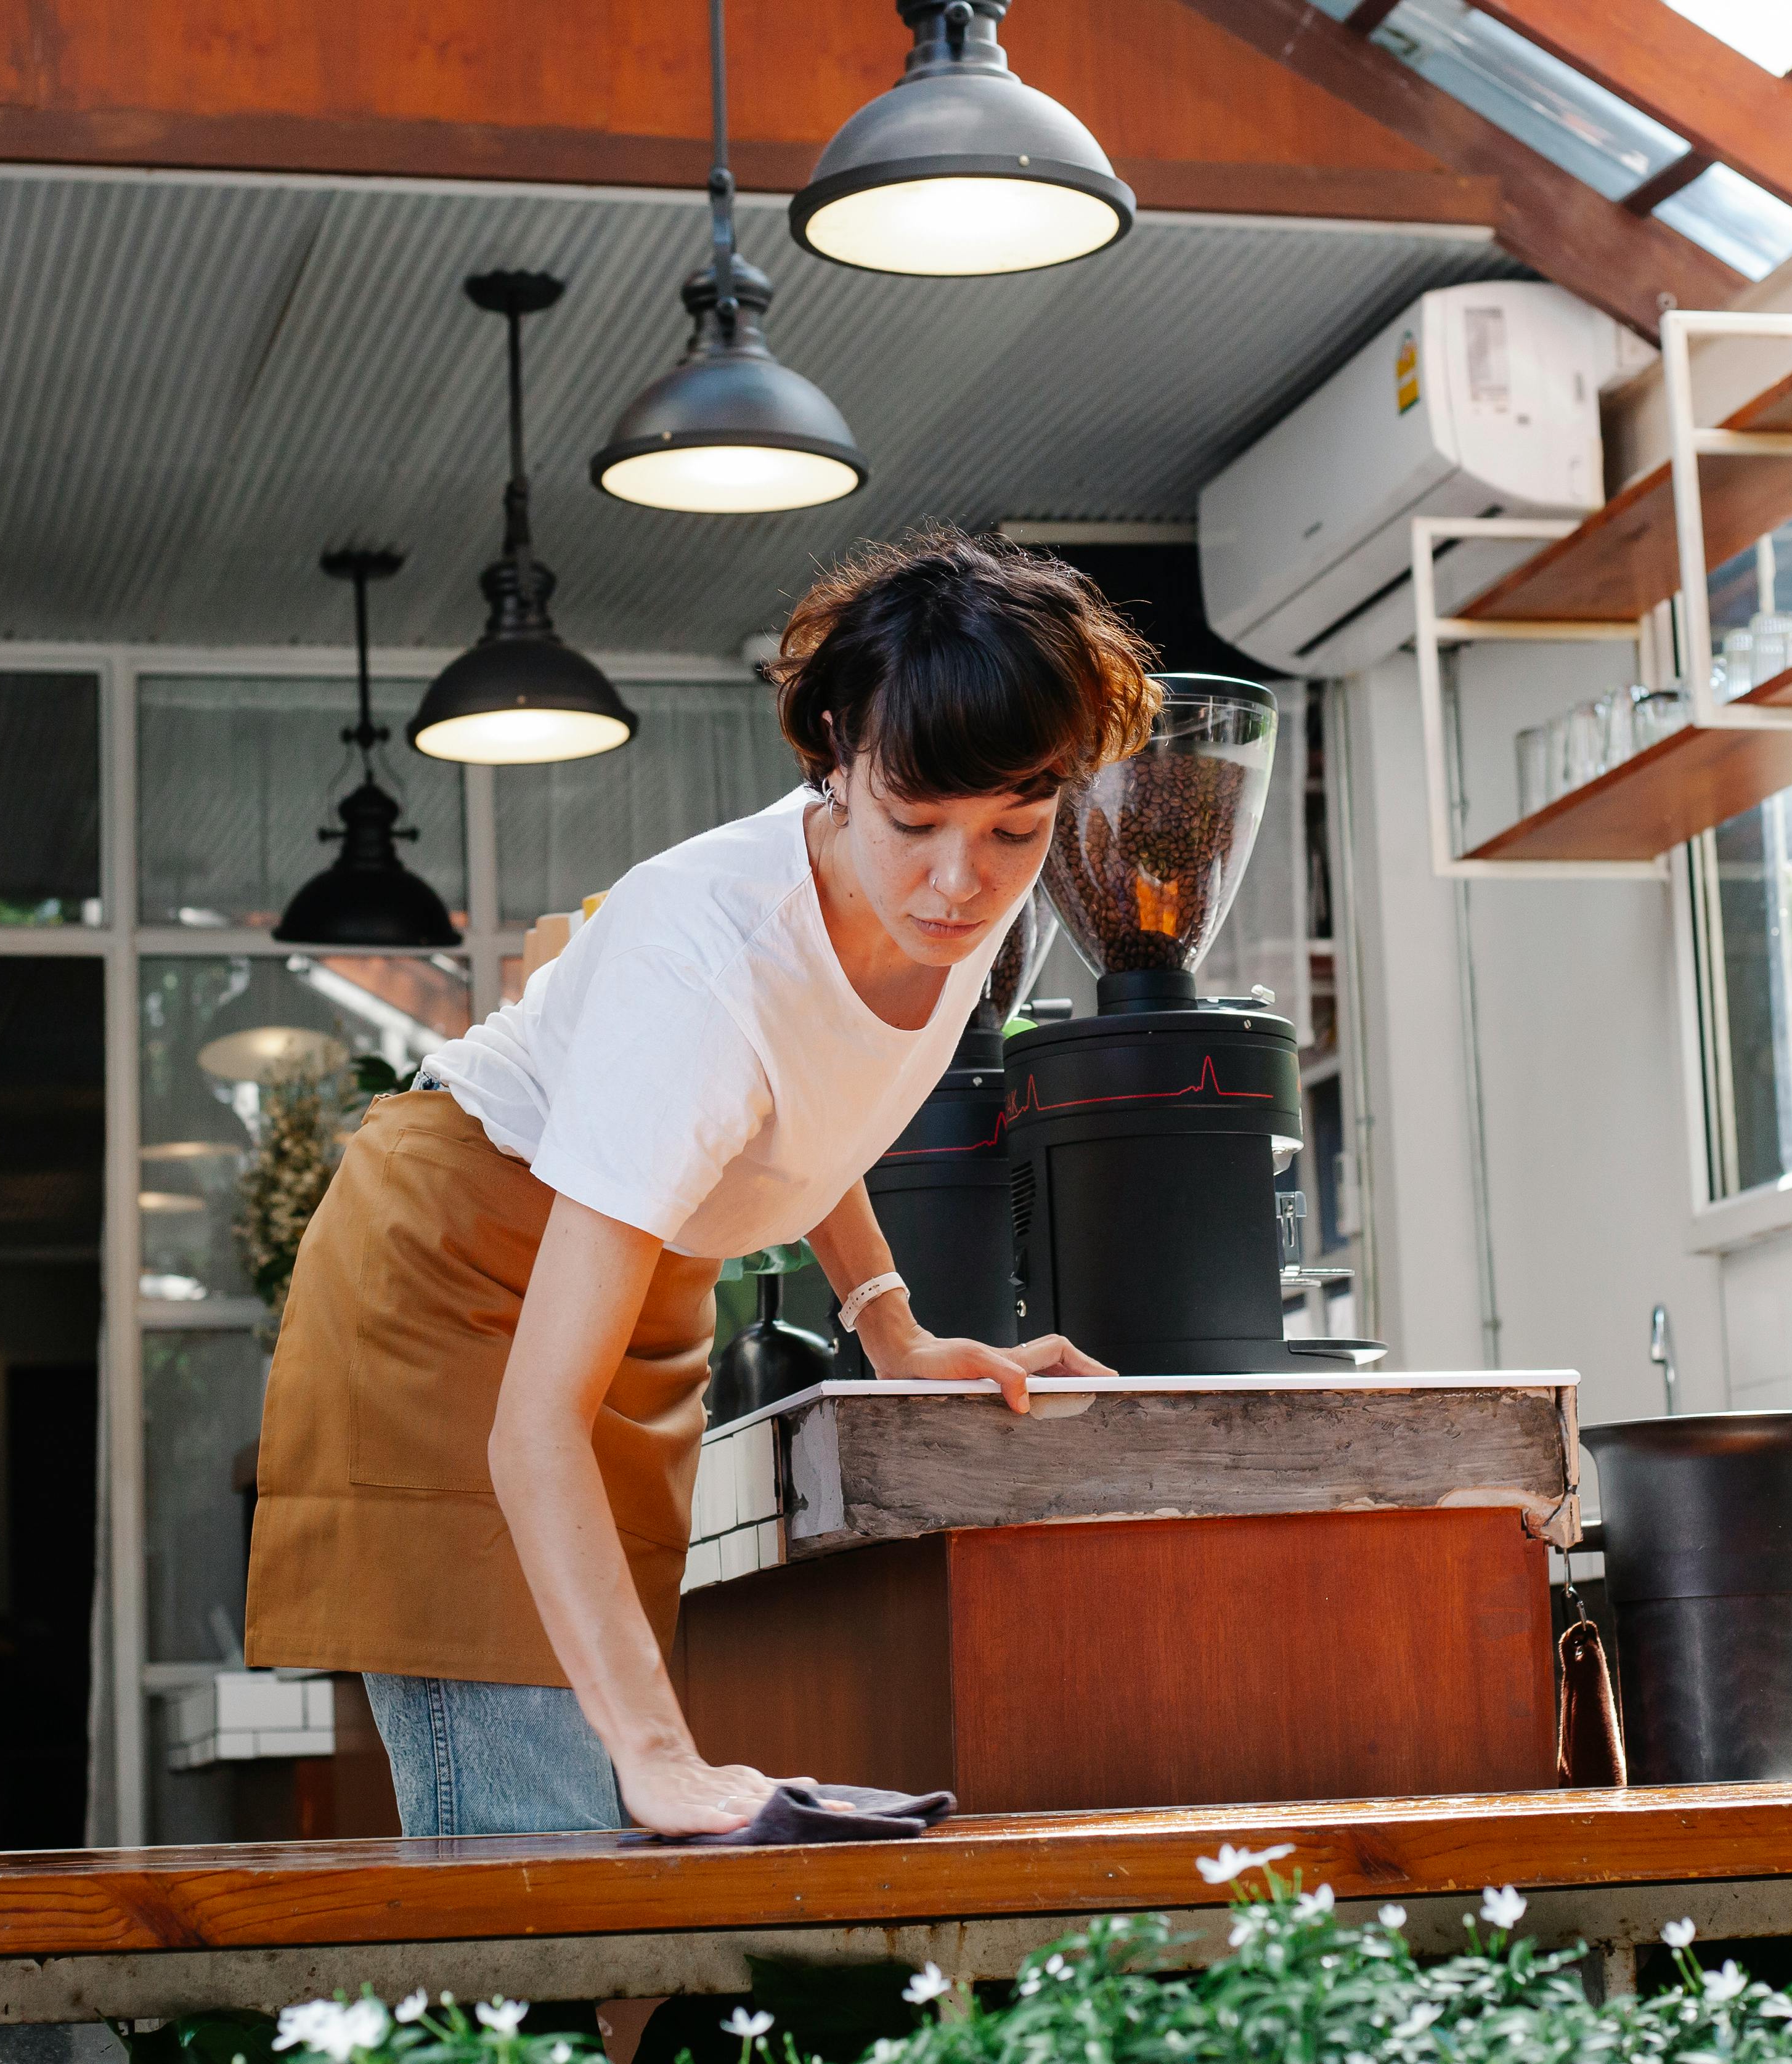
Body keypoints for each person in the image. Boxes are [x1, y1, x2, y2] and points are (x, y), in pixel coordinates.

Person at [243, 528, 1158, 1837]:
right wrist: (660, 1756)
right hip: (454, 1265)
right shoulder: (703, 968)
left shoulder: (949, 884)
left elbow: (801, 1108)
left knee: (617, 1836)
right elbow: (529, 1427)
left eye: (1017, 828)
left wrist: (890, 1327)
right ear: (836, 752)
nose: (962, 883)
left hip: (632, 1268)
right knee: (544, 1819)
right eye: (914, 823)